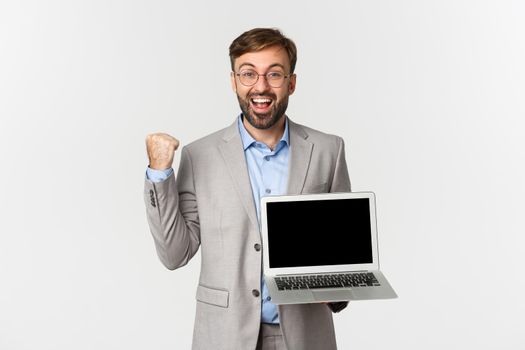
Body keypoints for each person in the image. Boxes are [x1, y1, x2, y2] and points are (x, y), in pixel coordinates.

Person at [144, 28, 351, 350]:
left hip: (306, 335)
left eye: (275, 74)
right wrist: (159, 173)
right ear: (234, 81)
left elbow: (341, 249)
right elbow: (175, 254)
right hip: (224, 335)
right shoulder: (200, 156)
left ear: (292, 83)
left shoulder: (328, 150)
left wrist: (337, 289)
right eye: (248, 74)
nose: (261, 86)